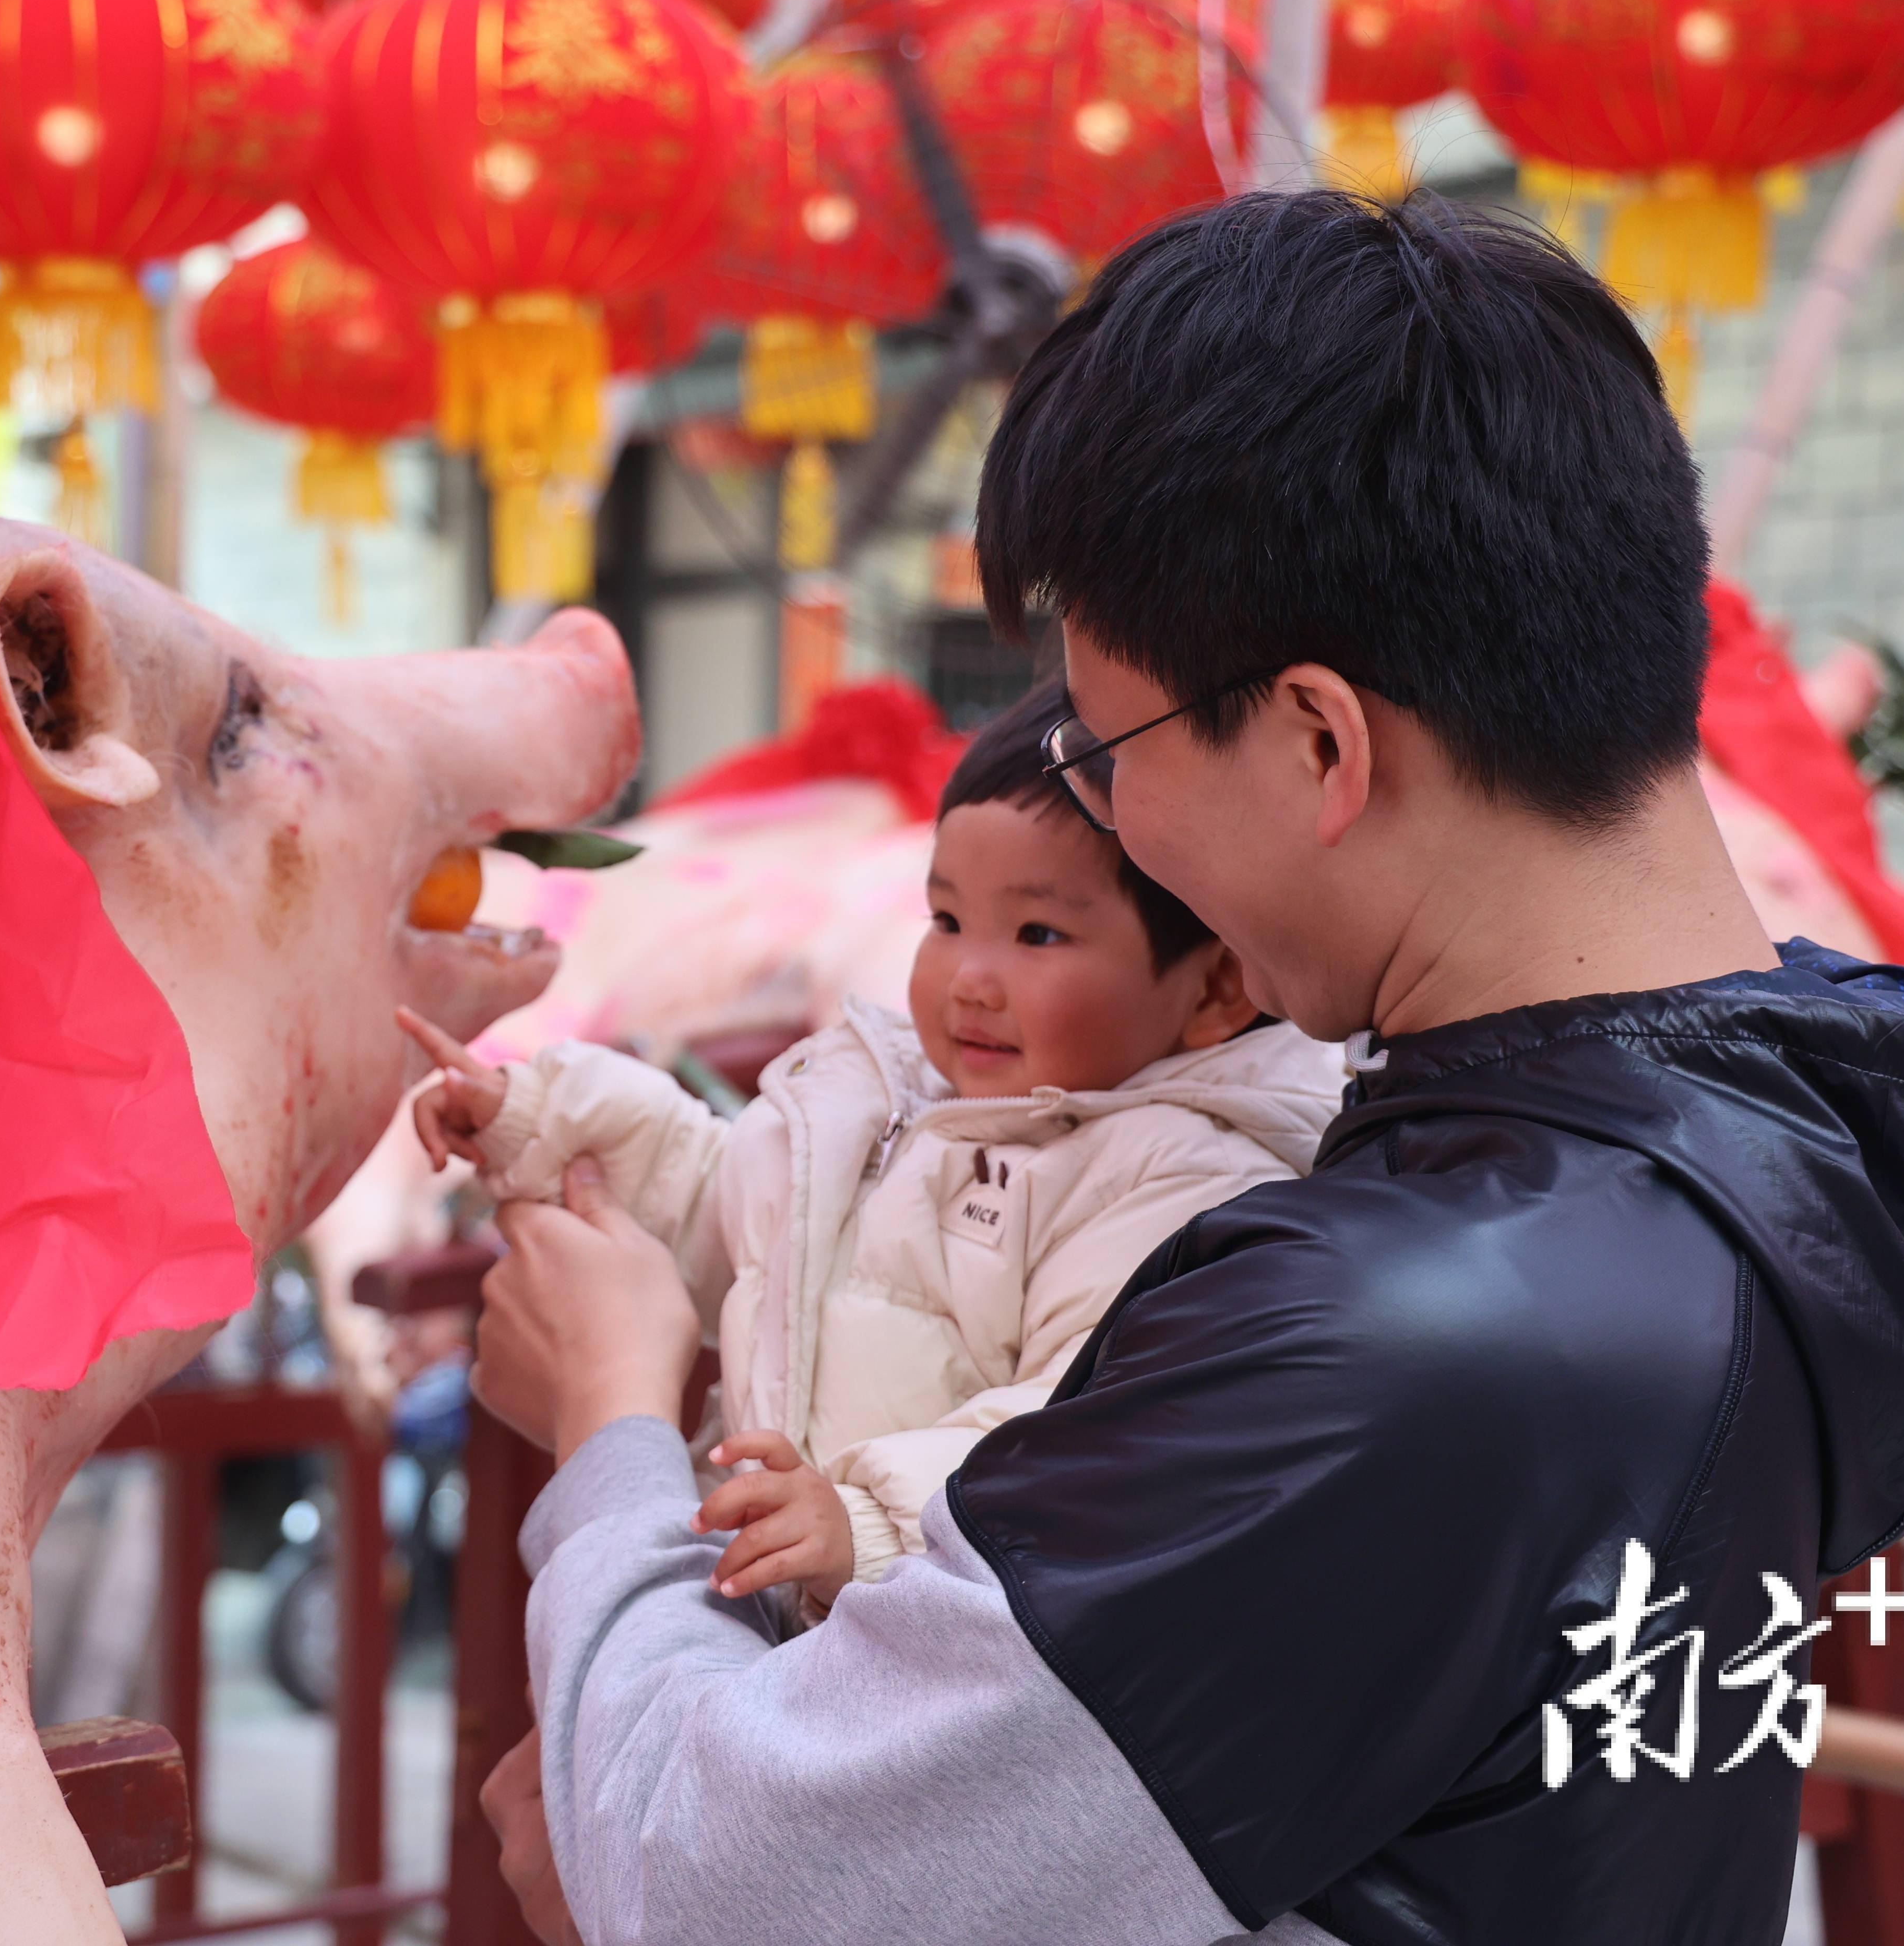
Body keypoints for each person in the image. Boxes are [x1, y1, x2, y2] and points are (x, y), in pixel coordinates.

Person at [469, 189, 1904, 1946]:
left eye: (1105, 744)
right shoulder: (1800, 1168)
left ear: (1316, 738)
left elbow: (722, 1877)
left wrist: (610, 1422)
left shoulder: (1394, 1344)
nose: (1109, 807)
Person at [401, 683, 1342, 1616]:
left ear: (1216, 988)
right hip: (780, 1614)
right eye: (946, 921)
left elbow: (1072, 1426)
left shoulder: (1179, 1180)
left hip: (914, 1638)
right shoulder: (897, 1108)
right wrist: (538, 1113)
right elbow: (722, 1203)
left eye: (1037, 934)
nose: (970, 978)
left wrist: (868, 1521)